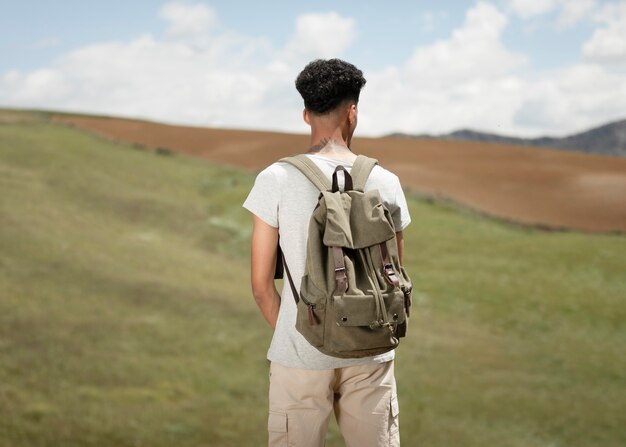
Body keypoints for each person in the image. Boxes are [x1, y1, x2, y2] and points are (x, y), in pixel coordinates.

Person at [243, 58, 411, 447]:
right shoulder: (385, 182)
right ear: (353, 111)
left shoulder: (276, 179)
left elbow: (260, 285)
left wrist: (309, 333)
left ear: (305, 114)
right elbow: (396, 274)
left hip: (300, 355)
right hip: (370, 352)